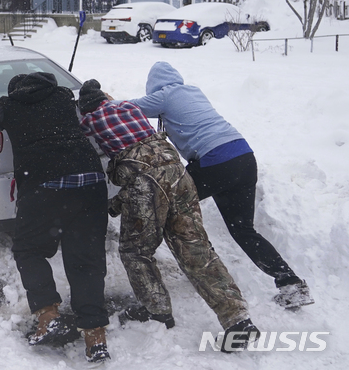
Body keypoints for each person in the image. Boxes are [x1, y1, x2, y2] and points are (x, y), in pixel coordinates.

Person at [78, 79, 259, 351]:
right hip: (180, 176)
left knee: (135, 251)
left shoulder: (90, 120)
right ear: (106, 97)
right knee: (196, 247)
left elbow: (139, 175)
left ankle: (157, 311)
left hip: (146, 183)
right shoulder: (129, 108)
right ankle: (239, 320)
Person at [129, 61, 313, 310]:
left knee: (170, 204)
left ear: (154, 86)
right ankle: (290, 282)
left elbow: (129, 109)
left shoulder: (165, 95)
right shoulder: (193, 91)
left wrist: (102, 100)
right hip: (243, 157)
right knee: (243, 230)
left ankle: (205, 266)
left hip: (214, 160)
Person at [0, 72, 110, 363]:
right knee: (86, 260)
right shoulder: (63, 97)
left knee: (29, 250)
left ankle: (48, 316)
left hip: (45, 184)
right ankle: (95, 336)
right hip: (90, 181)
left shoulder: (7, 105)